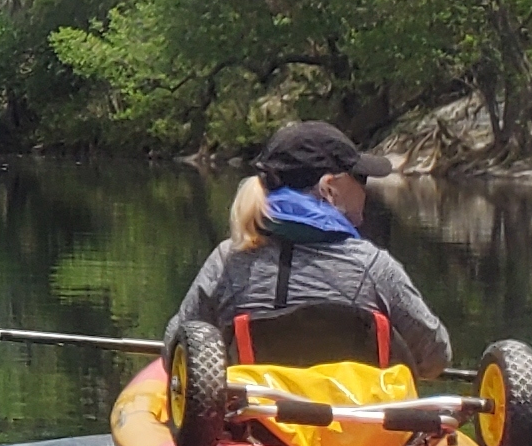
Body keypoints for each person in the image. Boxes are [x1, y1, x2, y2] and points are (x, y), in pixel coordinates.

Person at [166, 121, 453, 376]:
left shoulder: (228, 260)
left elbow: (174, 349)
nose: (365, 189)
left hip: (254, 429)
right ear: (329, 187)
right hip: (355, 431)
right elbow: (435, 356)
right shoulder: (375, 267)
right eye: (360, 178)